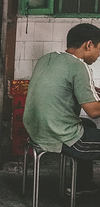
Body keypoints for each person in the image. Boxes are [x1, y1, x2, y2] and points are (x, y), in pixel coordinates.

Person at [24, 23, 100, 193]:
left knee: (88, 126)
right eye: (99, 48)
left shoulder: (47, 58)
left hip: (37, 130)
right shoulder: (80, 66)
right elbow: (94, 111)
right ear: (89, 44)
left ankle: (82, 185)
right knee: (88, 125)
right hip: (61, 136)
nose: (99, 55)